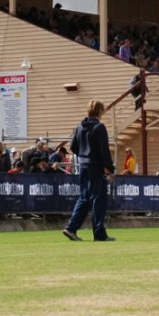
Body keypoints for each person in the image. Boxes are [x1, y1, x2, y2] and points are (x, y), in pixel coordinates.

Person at [62, 99, 114, 241]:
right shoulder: (99, 127)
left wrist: (84, 155)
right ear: (100, 111)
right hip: (96, 166)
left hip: (83, 166)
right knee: (98, 198)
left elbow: (73, 147)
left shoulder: (79, 126)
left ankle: (71, 228)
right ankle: (99, 233)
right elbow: (104, 150)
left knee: (84, 197)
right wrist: (110, 168)